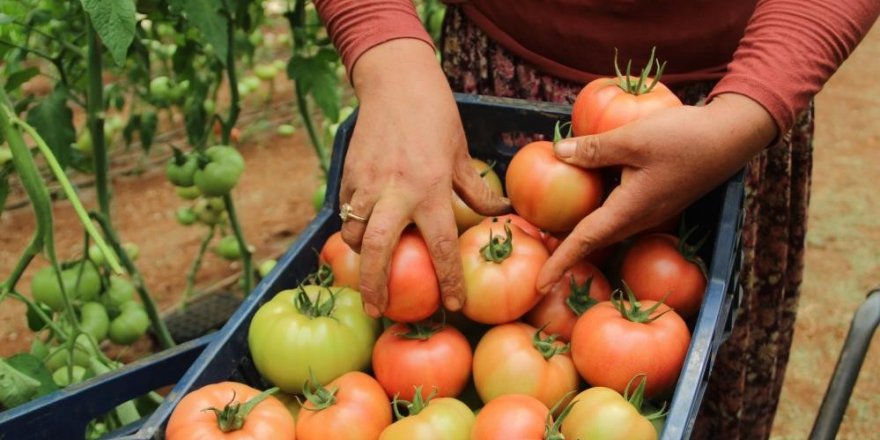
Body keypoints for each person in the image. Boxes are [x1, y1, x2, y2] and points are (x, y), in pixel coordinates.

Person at [314, 1, 879, 438]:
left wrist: (751, 107)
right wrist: (384, 49)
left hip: (728, 112)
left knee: (705, 386)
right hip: (472, 86)